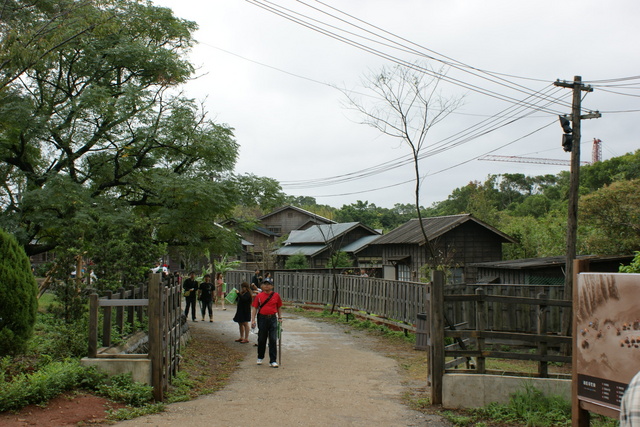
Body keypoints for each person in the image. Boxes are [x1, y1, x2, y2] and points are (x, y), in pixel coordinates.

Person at [251, 280, 283, 368]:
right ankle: (260, 356)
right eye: (265, 284)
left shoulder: (276, 295)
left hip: (272, 318)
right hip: (262, 318)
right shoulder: (259, 296)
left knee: (273, 339)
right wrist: (253, 320)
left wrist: (280, 317)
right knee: (262, 338)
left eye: (269, 284)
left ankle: (273, 360)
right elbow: (254, 308)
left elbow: (279, 307)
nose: (266, 286)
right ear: (262, 286)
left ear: (272, 286)